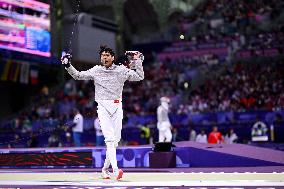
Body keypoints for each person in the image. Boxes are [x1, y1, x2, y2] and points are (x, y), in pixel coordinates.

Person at [61, 45, 144, 180]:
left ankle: (105, 169)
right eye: (102, 55)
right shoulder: (96, 70)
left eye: (107, 55)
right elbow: (77, 75)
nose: (104, 57)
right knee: (109, 140)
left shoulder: (121, 70)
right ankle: (116, 170)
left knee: (115, 142)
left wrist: (138, 60)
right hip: (103, 108)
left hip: (117, 108)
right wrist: (67, 65)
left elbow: (139, 76)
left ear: (112, 57)